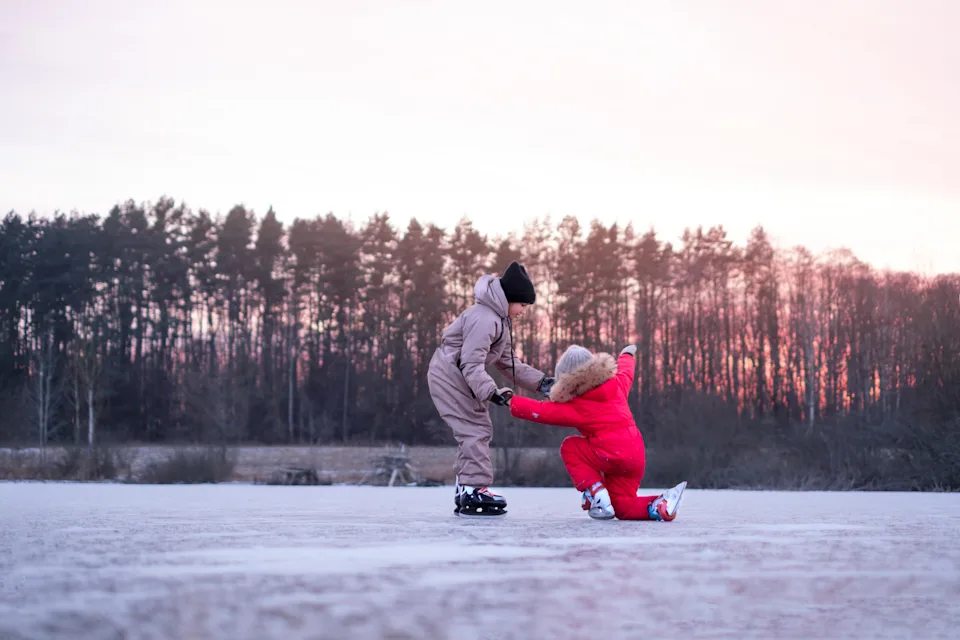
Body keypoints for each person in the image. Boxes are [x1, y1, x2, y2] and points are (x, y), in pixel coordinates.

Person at [427, 261, 555, 516]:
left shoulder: (497, 320)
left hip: (458, 377)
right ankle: (474, 489)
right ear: (510, 298)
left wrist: (542, 383)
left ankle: (466, 488)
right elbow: (470, 362)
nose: (522, 311)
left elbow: (509, 364)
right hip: (450, 376)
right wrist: (492, 391)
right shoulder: (484, 318)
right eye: (522, 305)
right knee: (475, 429)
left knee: (474, 428)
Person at [509, 343, 686, 521]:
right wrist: (627, 355)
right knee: (623, 507)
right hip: (636, 455)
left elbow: (542, 411)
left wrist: (511, 401)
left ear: (566, 381)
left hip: (611, 454)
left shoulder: (577, 405)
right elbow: (626, 372)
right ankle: (659, 506)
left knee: (570, 447)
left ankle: (595, 493)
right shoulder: (617, 384)